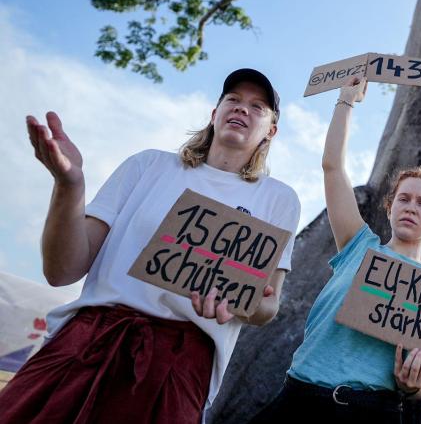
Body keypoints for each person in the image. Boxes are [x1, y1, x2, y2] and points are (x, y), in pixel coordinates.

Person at [0, 69, 300, 423]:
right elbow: (62, 270)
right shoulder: (148, 165)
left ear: (271, 131)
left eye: (258, 107)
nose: (242, 109)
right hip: (86, 343)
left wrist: (237, 304)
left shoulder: (278, 199)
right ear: (214, 113)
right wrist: (70, 186)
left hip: (179, 368)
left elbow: (268, 306)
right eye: (232, 100)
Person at [251, 77, 421, 423]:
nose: (411, 207)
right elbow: (333, 168)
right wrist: (346, 102)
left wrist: (415, 384)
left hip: (372, 411)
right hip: (298, 399)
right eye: (403, 198)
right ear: (389, 207)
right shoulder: (359, 245)